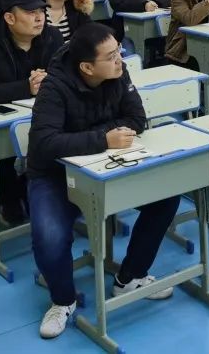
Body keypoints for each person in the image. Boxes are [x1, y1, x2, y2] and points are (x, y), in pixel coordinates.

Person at [28, 23, 180, 339]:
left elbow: (137, 120)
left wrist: (103, 138)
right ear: (86, 66)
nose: (120, 60)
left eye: (119, 52)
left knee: (166, 197)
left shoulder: (118, 74)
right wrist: (103, 138)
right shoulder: (54, 88)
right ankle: (62, 301)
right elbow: (44, 143)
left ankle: (131, 277)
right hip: (56, 175)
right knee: (50, 236)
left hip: (111, 165)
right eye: (111, 56)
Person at [0, 0, 64, 222]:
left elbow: (66, 75)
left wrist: (49, 81)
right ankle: (9, 197)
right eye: (31, 12)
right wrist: (26, 87)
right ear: (9, 18)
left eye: (41, 11)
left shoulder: (52, 37)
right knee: (3, 160)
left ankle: (43, 190)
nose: (39, 17)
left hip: (45, 115)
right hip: (1, 120)